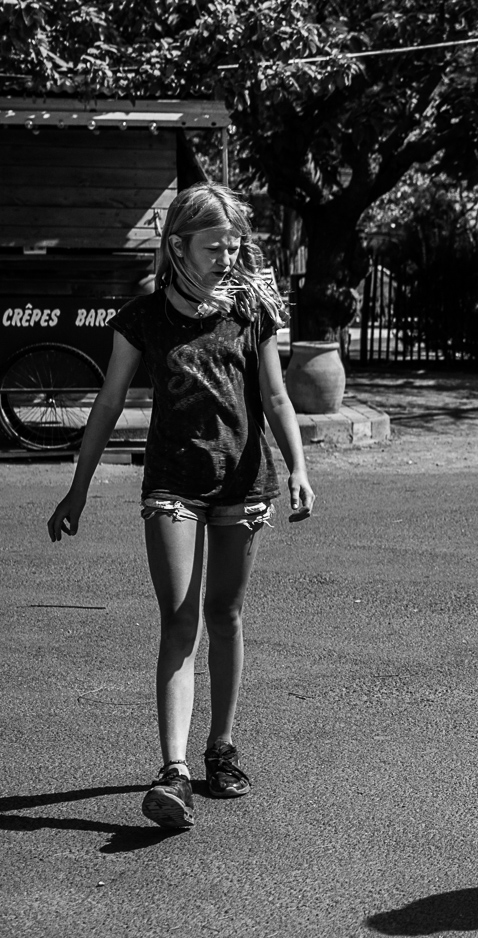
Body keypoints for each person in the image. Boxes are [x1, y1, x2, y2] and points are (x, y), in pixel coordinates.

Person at [48, 182, 314, 830]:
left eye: (233, 245)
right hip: (171, 483)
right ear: (177, 247)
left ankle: (219, 749)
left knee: (225, 614)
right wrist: (78, 488)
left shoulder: (251, 308)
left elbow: (276, 398)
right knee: (178, 619)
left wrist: (302, 468)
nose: (227, 256)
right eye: (214, 246)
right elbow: (108, 405)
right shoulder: (143, 317)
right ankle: (172, 771)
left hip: (243, 484)